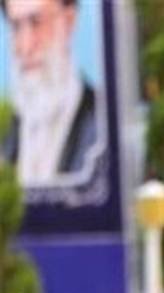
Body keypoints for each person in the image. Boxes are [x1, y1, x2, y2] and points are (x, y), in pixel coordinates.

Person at [1, 0, 100, 185]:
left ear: (69, 20)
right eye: (16, 27)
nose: (26, 46)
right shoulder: (5, 131)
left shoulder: (103, 120)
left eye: (37, 22)